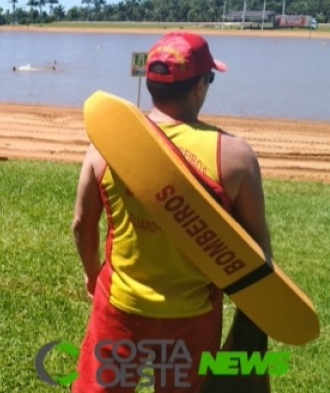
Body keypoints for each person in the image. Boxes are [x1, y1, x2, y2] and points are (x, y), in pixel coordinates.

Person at [71, 32, 271, 393]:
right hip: (193, 315)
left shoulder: (104, 147)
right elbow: (259, 252)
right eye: (210, 78)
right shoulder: (235, 157)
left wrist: (91, 274)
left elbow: (82, 224)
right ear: (198, 87)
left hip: (120, 306)